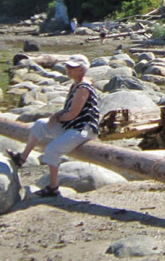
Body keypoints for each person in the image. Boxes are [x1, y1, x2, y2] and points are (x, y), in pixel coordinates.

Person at [6, 54, 99, 198]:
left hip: (83, 129)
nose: (68, 69)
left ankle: (53, 187)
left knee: (51, 150)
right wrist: (57, 115)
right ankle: (22, 158)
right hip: (72, 126)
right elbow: (69, 111)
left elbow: (73, 113)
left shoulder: (83, 88)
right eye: (67, 66)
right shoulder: (76, 84)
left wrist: (58, 117)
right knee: (39, 125)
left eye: (72, 67)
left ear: (82, 70)